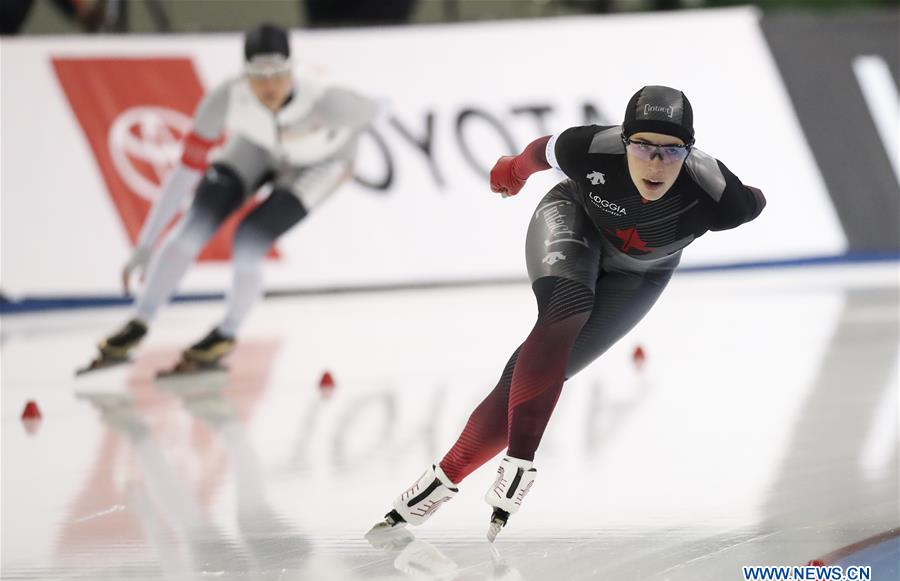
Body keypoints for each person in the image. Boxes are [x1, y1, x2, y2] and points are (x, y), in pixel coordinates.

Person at [369, 85, 766, 541]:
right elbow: (541, 151)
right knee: (566, 307)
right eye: (642, 146)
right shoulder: (589, 148)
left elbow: (756, 199)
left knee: (532, 374)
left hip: (641, 275)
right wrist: (513, 170)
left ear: (689, 151)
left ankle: (439, 481)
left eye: (672, 151)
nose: (655, 163)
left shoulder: (720, 194)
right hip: (574, 220)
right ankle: (520, 464)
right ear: (623, 142)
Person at [78, 23, 377, 376]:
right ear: (243, 75)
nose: (269, 87)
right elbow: (182, 177)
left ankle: (226, 333)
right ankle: (140, 320)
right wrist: (145, 244)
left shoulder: (327, 98)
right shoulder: (225, 98)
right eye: (258, 76)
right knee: (192, 227)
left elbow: (377, 110)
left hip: (321, 162)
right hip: (258, 147)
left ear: (293, 69)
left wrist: (346, 160)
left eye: (279, 74)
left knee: (249, 239)